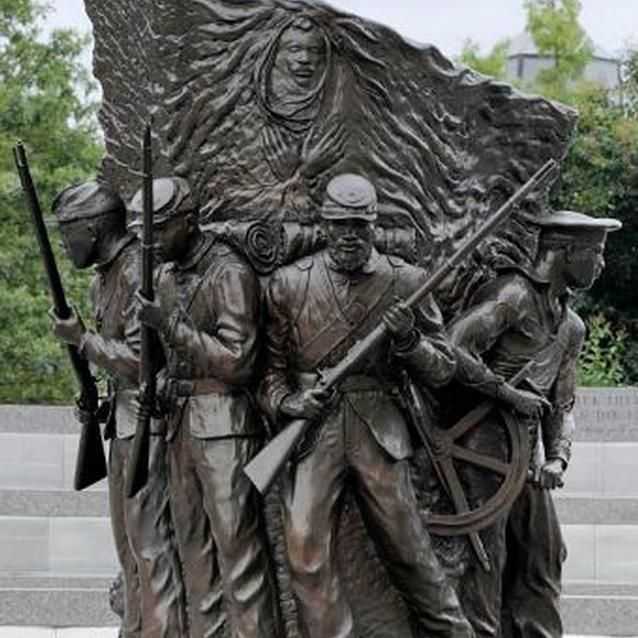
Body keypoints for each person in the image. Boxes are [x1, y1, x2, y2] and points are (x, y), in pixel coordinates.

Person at [259, 173, 474, 638]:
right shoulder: (288, 285)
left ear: (374, 226)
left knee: (411, 552)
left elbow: (441, 370)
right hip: (315, 431)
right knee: (304, 551)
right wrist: (291, 402)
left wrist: (409, 340)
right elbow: (270, 373)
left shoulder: (406, 281)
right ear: (325, 224)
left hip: (380, 429)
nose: (349, 236)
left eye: (359, 226)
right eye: (340, 226)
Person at [446, 210, 621, 638]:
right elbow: (452, 347)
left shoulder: (572, 327)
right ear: (564, 253)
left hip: (527, 458)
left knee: (546, 553)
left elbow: (561, 405)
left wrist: (558, 457)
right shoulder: (513, 295)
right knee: (487, 557)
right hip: (482, 448)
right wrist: (507, 393)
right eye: (594, 255)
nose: (600, 266)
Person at [133, 177, 280, 638]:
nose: (149, 241)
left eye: (159, 230)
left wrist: (170, 326)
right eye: (144, 231)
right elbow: (168, 359)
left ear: (190, 222)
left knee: (239, 557)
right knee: (194, 553)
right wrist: (155, 382)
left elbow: (239, 362)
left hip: (225, 427)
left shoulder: (229, 273)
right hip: (179, 426)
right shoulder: (162, 275)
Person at [50, 181, 186, 638]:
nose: (65, 246)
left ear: (92, 228)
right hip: (123, 423)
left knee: (151, 548)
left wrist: (82, 341)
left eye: (68, 234)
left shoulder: (135, 273)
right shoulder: (102, 278)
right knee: (129, 549)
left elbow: (142, 362)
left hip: (150, 423)